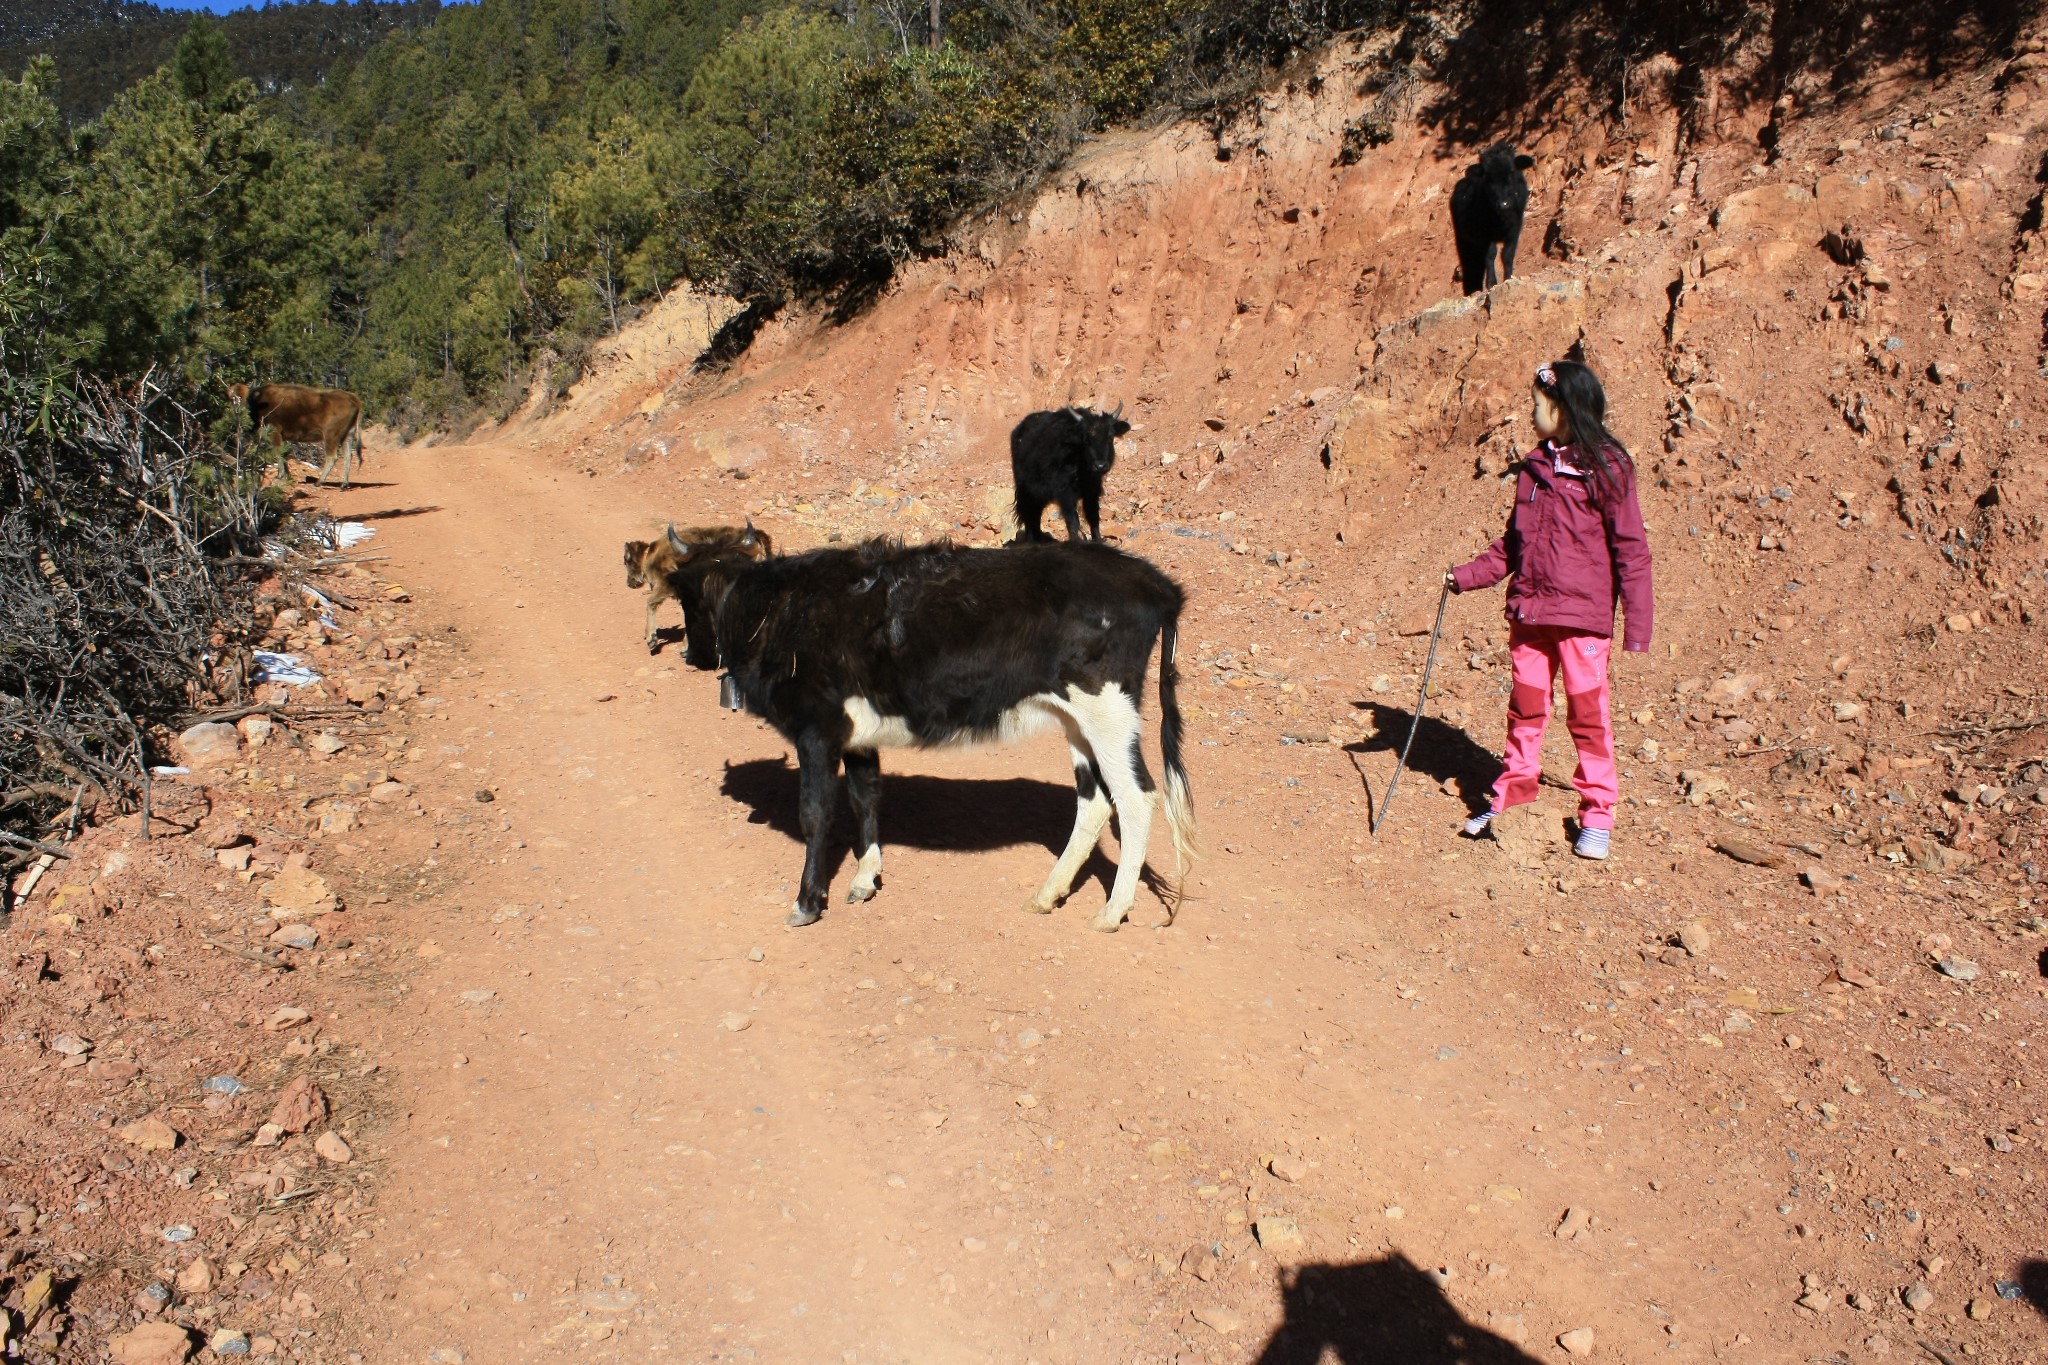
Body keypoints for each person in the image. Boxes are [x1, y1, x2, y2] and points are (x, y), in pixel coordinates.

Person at [1448, 360, 1653, 860]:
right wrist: (1466, 575)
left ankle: (1598, 814)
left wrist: (1637, 626)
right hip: (1531, 616)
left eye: (1537, 405)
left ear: (1563, 410)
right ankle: (1512, 799)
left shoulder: (1608, 468)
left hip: (1583, 620)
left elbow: (1631, 548)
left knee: (1588, 717)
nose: (1531, 414)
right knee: (1526, 711)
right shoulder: (1535, 468)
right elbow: (1514, 544)